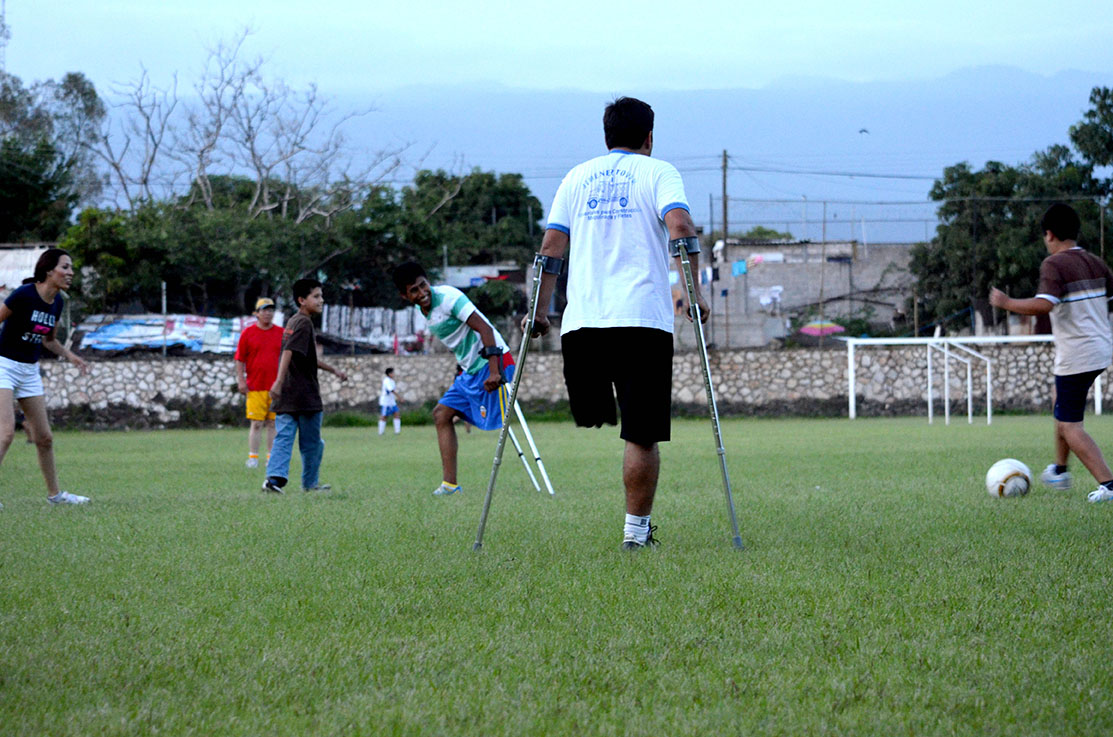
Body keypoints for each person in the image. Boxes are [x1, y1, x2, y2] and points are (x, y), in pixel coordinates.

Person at [529, 96, 709, 549]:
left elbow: (552, 245)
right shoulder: (658, 172)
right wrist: (693, 295)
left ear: (606, 136)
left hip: (583, 325)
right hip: (641, 322)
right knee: (641, 434)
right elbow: (681, 227)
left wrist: (540, 311)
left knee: (596, 418)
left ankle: (594, 420)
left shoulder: (576, 177)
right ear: (649, 137)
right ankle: (635, 533)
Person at [989, 203, 1113, 503]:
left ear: (1049, 234)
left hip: (1077, 354)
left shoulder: (1054, 264)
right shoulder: (1096, 262)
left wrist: (1006, 302)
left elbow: (1045, 304)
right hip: (1100, 348)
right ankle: (1059, 470)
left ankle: (1109, 485)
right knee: (1061, 404)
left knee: (1070, 425)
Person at [392, 262, 512, 496]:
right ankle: (450, 485)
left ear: (428, 281)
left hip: (493, 363)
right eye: (414, 291)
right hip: (469, 371)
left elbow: (486, 330)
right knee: (441, 414)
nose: (422, 293)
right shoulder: (421, 310)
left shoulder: (449, 298)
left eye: (423, 285)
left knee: (499, 425)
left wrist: (495, 371)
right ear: (405, 296)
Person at [0, 248, 91, 506]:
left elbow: (49, 341)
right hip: (3, 365)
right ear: (49, 270)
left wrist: (71, 356)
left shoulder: (58, 301)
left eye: (71, 268)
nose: (70, 272)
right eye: (65, 267)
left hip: (29, 370)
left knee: (44, 437)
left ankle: (55, 496)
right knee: (5, 433)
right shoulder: (24, 295)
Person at [262, 278, 348, 494]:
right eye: (316, 296)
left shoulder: (293, 322)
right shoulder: (303, 323)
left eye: (321, 295)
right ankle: (310, 485)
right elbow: (288, 351)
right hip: (304, 395)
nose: (321, 300)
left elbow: (306, 358)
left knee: (283, 437)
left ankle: (273, 481)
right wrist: (278, 381)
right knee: (312, 444)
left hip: (287, 396)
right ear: (302, 300)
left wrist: (333, 370)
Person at [234, 297, 284, 468]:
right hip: (255, 386)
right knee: (256, 423)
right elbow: (239, 359)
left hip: (275, 387)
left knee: (273, 423)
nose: (268, 313)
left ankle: (271, 457)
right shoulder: (248, 333)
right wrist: (241, 380)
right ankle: (253, 457)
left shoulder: (281, 333)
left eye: (270, 310)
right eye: (264, 310)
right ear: (257, 313)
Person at [378, 367, 401, 435]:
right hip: (386, 401)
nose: (394, 374)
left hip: (392, 401)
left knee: (396, 414)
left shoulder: (392, 381)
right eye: (393, 373)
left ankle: (397, 431)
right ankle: (381, 431)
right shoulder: (386, 381)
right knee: (384, 416)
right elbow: (391, 390)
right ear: (389, 374)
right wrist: (399, 397)